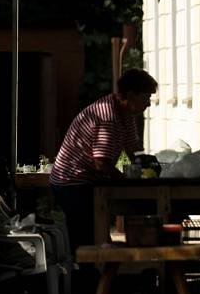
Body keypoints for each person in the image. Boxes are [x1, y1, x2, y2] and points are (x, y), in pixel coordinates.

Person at [50, 69, 157, 253]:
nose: (148, 103)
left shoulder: (127, 113)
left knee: (99, 232)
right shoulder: (108, 116)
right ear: (131, 95)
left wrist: (140, 168)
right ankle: (88, 277)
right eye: (146, 98)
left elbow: (131, 151)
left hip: (89, 178)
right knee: (87, 237)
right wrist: (125, 181)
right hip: (72, 181)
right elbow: (102, 163)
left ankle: (104, 271)